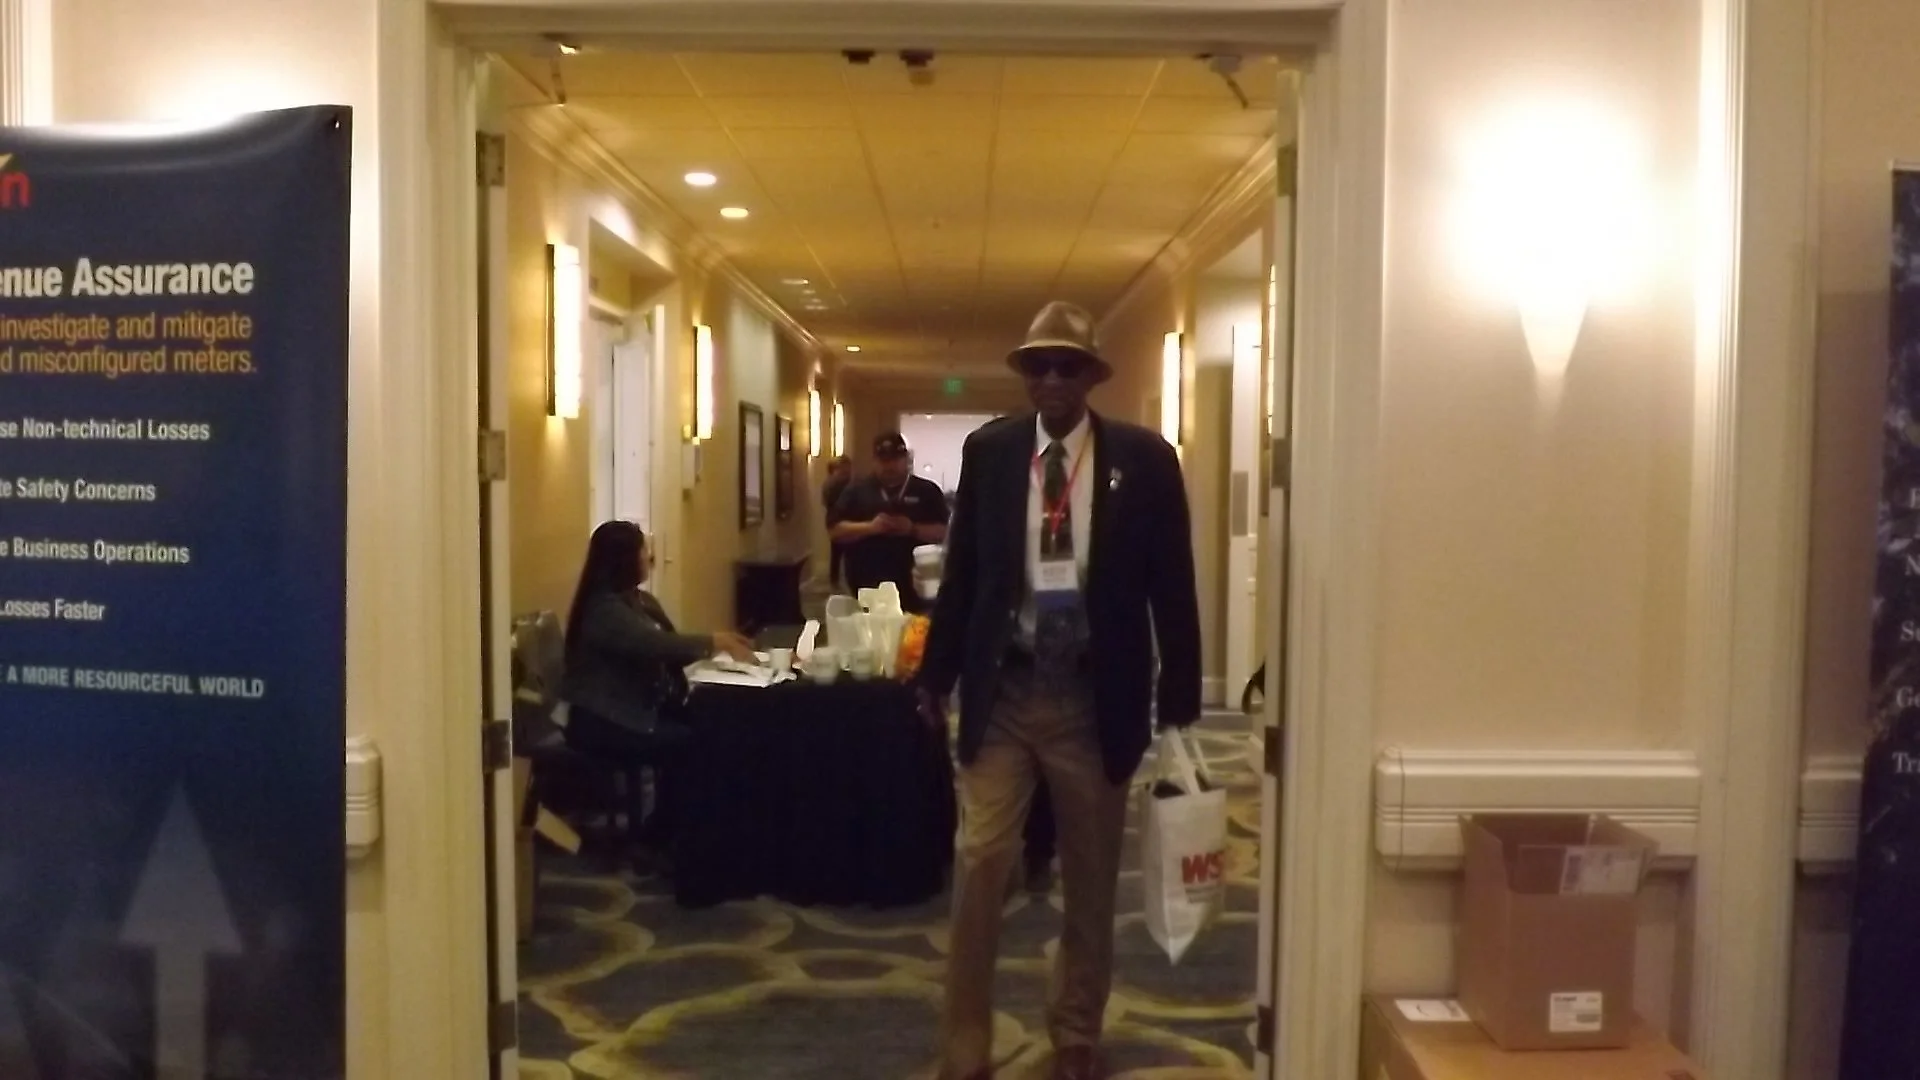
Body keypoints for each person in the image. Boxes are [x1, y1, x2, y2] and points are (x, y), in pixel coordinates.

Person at [918, 301, 1202, 1080]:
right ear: (1023, 374)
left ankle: (1077, 1030)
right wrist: (935, 675)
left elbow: (1172, 582)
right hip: (1004, 691)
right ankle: (964, 1043)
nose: (1050, 378)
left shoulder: (1143, 461)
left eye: (1066, 365)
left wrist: (1179, 694)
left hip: (1090, 696)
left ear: (1090, 377)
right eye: (1037, 364)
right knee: (980, 862)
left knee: (1090, 871)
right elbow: (966, 573)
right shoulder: (993, 453)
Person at [560, 521, 756, 869]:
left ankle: (670, 830)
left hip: (632, 708)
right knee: (690, 746)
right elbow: (655, 645)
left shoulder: (637, 601)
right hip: (605, 719)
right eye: (642, 550)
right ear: (622, 559)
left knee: (707, 726)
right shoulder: (603, 611)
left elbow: (670, 645)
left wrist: (713, 643)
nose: (649, 557)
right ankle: (662, 836)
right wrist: (715, 642)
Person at [830, 432, 949, 609]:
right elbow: (834, 531)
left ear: (906, 459)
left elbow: (944, 533)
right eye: (883, 460)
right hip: (867, 585)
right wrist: (870, 528)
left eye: (895, 459)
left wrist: (912, 529)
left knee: (915, 633)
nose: (889, 465)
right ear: (874, 461)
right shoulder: (856, 490)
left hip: (916, 586)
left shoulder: (927, 491)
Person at [821, 455, 854, 589]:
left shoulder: (843, 482)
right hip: (837, 521)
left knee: (840, 552)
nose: (848, 471)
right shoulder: (833, 484)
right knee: (839, 551)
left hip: (842, 520)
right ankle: (836, 581)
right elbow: (829, 502)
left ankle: (838, 581)